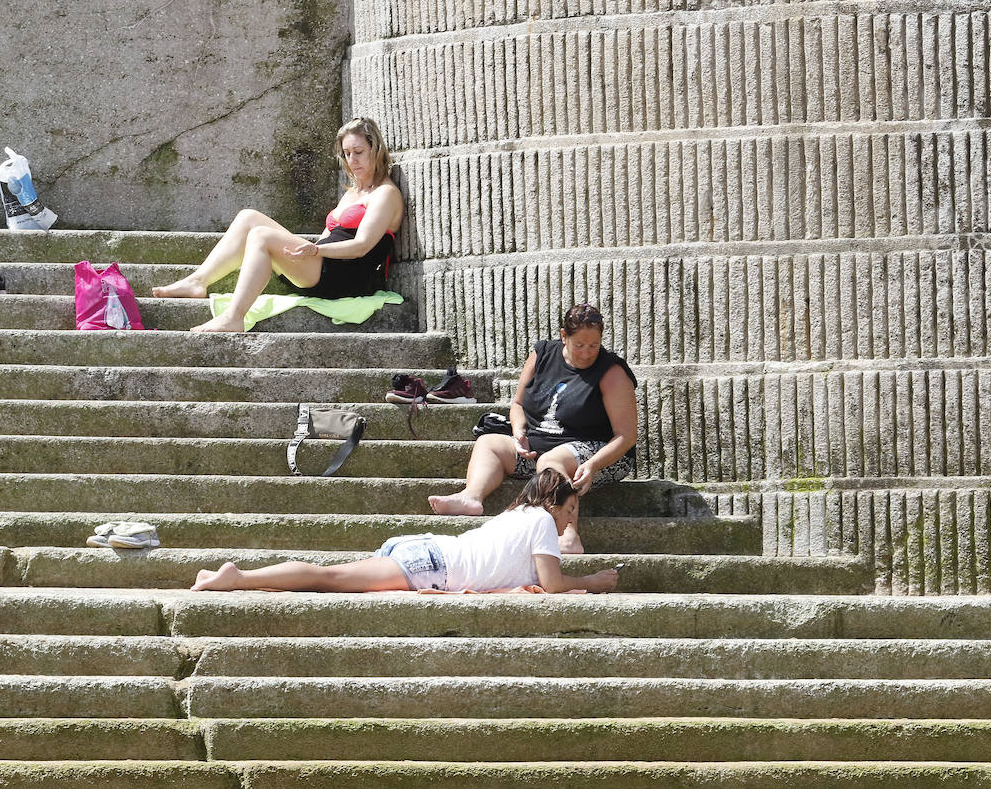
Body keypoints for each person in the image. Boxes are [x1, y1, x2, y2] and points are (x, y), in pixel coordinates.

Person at [152, 117, 403, 332]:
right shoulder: (354, 192)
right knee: (249, 217)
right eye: (346, 153)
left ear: (376, 149)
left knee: (262, 235)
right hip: (323, 264)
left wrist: (316, 251)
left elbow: (361, 246)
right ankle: (198, 281)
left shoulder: (385, 194)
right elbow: (329, 236)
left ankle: (234, 318)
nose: (352, 160)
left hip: (348, 277)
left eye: (358, 152)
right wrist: (309, 250)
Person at [191, 470, 619, 594]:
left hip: (427, 551)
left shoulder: (516, 514)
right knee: (330, 577)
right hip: (433, 565)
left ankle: (242, 580)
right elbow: (552, 583)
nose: (569, 520)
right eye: (571, 509)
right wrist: (594, 581)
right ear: (554, 504)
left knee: (331, 578)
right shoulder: (542, 520)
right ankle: (239, 578)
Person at [429, 304, 638, 555]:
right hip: (539, 443)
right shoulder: (542, 355)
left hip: (598, 451)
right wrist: (519, 433)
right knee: (489, 443)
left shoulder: (611, 371)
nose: (586, 353)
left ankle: (569, 534)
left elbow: (627, 436)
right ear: (564, 336)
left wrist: (593, 465)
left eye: (593, 345)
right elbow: (517, 404)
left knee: (550, 461)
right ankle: (471, 496)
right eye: (579, 345)